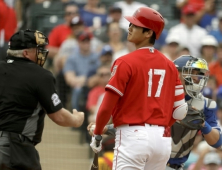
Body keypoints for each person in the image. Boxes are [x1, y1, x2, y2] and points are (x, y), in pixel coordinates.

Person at [89, 7, 188, 170]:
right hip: (162, 141)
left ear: (149, 33)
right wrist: (159, 125)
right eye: (130, 24)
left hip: (132, 138)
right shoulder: (170, 65)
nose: (129, 28)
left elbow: (107, 106)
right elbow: (180, 111)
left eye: (135, 25)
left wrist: (98, 132)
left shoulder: (125, 62)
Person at [88, 55, 222, 170]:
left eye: (198, 75)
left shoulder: (206, 104)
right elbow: (136, 128)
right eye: (191, 73)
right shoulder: (157, 97)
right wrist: (106, 129)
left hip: (176, 165)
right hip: (149, 162)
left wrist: (203, 125)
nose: (196, 79)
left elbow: (217, 142)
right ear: (176, 73)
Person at [0, 29, 84, 170]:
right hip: (14, 148)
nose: (42, 52)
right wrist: (76, 120)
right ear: (26, 53)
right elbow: (58, 116)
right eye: (37, 49)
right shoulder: (41, 75)